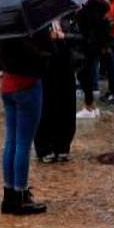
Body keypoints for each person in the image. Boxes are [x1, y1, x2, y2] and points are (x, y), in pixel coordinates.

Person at [0, 32, 52, 215]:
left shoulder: (4, 25)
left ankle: (9, 195)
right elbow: (42, 56)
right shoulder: (31, 29)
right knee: (23, 143)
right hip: (27, 84)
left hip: (8, 83)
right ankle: (20, 195)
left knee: (11, 141)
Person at [35, 18, 82, 163]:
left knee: (66, 106)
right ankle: (45, 147)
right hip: (47, 70)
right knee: (47, 107)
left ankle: (62, 145)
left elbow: (80, 38)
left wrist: (64, 36)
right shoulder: (39, 23)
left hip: (65, 68)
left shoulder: (68, 21)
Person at [74, 0, 110, 119]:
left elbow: (83, 29)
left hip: (87, 46)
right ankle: (92, 106)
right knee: (88, 73)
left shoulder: (86, 10)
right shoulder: (103, 6)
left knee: (84, 75)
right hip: (97, 45)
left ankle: (89, 106)